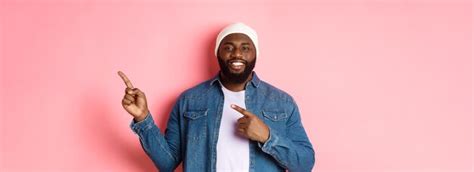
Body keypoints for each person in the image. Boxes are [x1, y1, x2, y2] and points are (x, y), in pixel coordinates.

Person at [118, 22, 315, 172]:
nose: (236, 53)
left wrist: (267, 137)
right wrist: (143, 118)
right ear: (217, 53)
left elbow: (305, 163)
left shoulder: (282, 102)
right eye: (228, 47)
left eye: (245, 47)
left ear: (255, 54)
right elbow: (167, 163)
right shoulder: (190, 100)